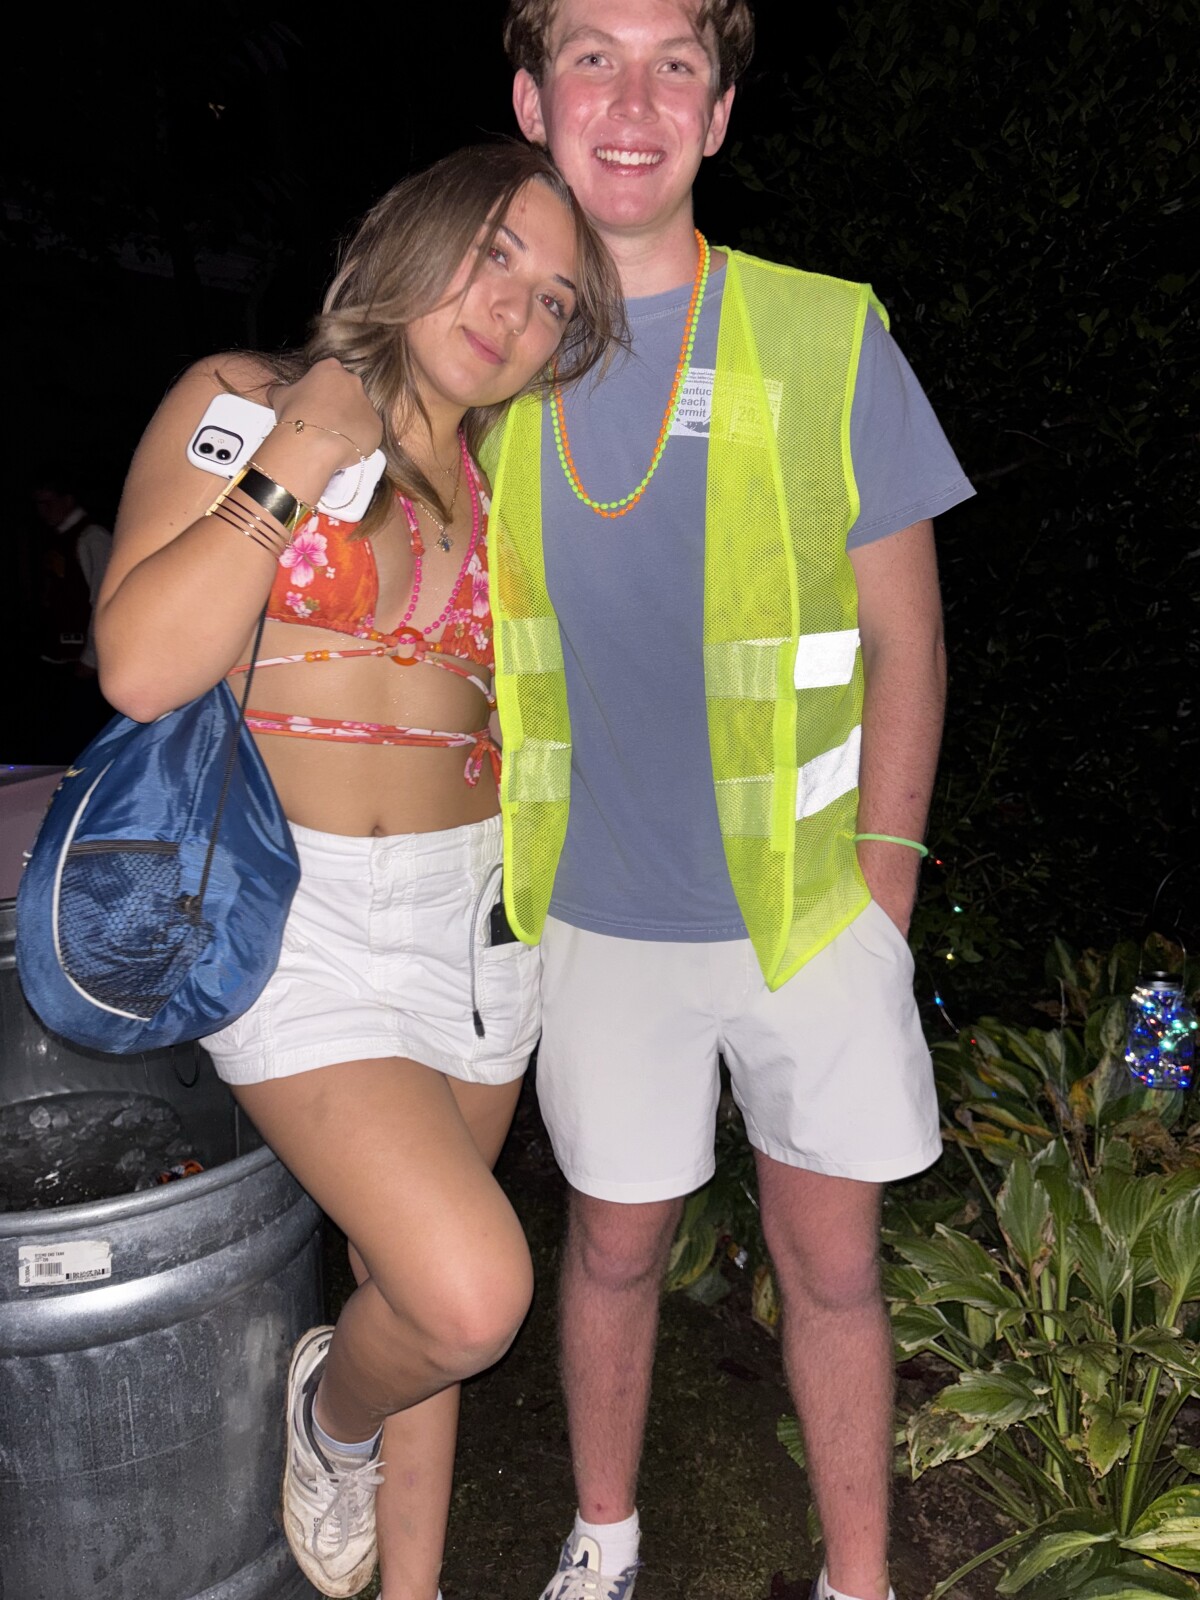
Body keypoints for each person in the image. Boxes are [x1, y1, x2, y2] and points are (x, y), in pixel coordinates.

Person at [484, 5, 976, 1599]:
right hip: (596, 916)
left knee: (833, 1268)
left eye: (676, 64)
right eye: (593, 57)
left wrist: (884, 884)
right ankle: (603, 1539)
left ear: (718, 114)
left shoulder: (827, 332)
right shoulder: (481, 348)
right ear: (532, 100)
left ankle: (858, 1580)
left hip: (811, 913)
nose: (633, 99)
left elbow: (909, 637)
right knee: (615, 1246)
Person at [94, 141, 623, 1600]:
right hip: (296, 913)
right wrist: (301, 457)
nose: (515, 310)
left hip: (474, 913)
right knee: (470, 1291)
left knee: (413, 1282)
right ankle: (333, 1423)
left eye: (555, 299)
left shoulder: (517, 476)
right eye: (496, 254)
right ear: (413, 234)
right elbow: (139, 667)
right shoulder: (243, 399)